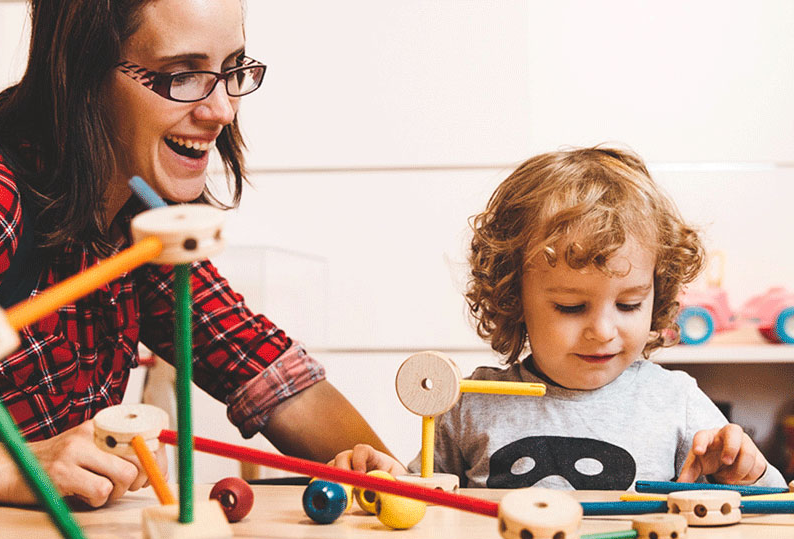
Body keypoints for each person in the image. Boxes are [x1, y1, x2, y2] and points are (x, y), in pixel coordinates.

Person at [0, 0, 391, 507]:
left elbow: (267, 373)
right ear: (81, 72)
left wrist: (385, 477)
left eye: (232, 70)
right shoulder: (2, 199)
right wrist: (17, 465)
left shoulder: (135, 219)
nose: (222, 110)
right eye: (181, 76)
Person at [333, 146, 786, 490]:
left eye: (628, 305)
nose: (604, 331)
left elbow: (768, 511)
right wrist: (387, 480)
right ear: (514, 298)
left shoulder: (677, 402)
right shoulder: (470, 403)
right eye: (571, 306)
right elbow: (423, 502)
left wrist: (747, 472)